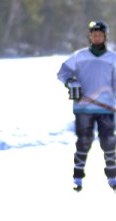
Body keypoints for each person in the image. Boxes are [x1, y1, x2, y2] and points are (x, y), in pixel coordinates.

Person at [56, 20, 116, 192]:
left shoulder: (113, 58)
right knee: (83, 142)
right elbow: (63, 72)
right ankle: (78, 178)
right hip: (83, 108)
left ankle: (113, 177)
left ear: (105, 36)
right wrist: (70, 82)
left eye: (100, 34)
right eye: (94, 34)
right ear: (90, 36)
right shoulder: (79, 56)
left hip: (106, 108)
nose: (97, 37)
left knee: (109, 142)